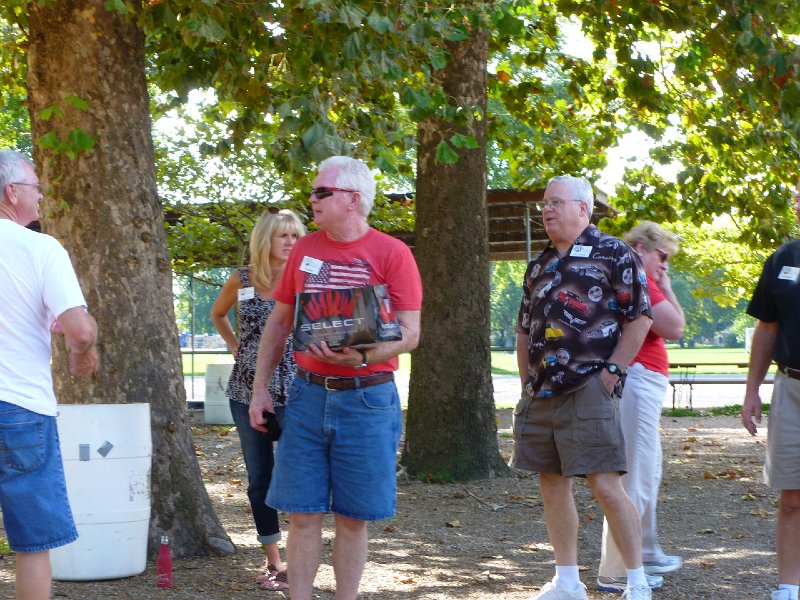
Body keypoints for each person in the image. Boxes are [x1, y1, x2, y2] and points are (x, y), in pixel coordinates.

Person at [249, 155, 422, 600]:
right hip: (307, 396)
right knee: (302, 515)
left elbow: (410, 333)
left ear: (352, 199)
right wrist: (260, 389)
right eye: (313, 191)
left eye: (321, 192)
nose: (312, 199)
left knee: (352, 518)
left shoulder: (393, 253)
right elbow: (279, 322)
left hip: (368, 400)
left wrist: (362, 356)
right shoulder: (306, 250)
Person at [511, 175, 654, 600]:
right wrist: (525, 384)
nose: (547, 210)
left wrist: (611, 371)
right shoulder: (538, 264)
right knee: (552, 483)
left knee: (606, 485)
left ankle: (637, 581)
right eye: (544, 204)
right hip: (541, 390)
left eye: (556, 202)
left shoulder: (614, 253)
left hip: (589, 384)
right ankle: (567, 581)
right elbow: (524, 329)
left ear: (583, 209)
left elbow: (640, 317)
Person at [0, 149, 100, 600]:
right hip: (20, 408)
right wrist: (83, 354)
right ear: (12, 192)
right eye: (37, 187)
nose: (42, 196)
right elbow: (78, 328)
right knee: (32, 543)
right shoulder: (41, 248)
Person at [210, 209, 305, 591]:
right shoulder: (243, 279)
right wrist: (237, 347)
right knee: (260, 477)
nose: (289, 243)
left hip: (298, 390)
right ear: (265, 239)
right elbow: (218, 314)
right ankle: (275, 562)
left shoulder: (307, 278)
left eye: (295, 236)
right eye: (282, 236)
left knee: (299, 475)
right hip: (247, 390)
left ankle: (301, 558)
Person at [597, 221, 685, 592]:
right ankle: (617, 569)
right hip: (635, 382)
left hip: (644, 382)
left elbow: (673, 325)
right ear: (640, 249)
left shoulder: (641, 279)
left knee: (647, 474)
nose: (665, 265)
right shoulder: (636, 279)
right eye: (662, 256)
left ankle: (643, 552)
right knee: (634, 477)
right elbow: (674, 326)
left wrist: (664, 284)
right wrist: (664, 287)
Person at [742, 180, 800, 600]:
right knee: (793, 497)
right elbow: (766, 328)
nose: (798, 205)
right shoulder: (782, 259)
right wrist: (752, 391)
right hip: (792, 389)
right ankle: (787, 587)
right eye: (798, 199)